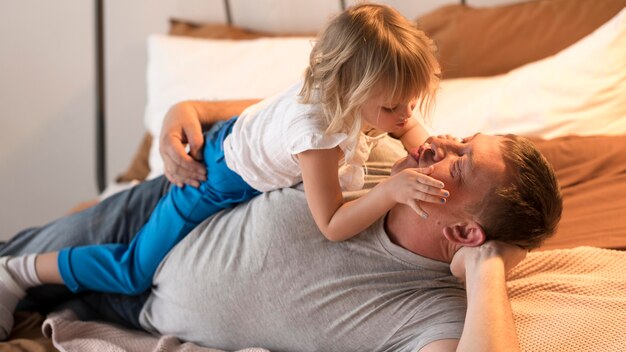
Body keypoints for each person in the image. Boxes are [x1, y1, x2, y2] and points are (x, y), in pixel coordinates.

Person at [0, 4, 446, 329]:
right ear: (349, 89)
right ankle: (17, 271)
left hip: (237, 134)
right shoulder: (318, 138)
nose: (406, 116)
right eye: (393, 106)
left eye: (411, 102)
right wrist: (389, 191)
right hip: (213, 180)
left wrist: (431, 148)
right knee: (133, 270)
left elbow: (409, 129)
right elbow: (330, 223)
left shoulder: (344, 92)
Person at [0, 97, 562, 351]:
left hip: (140, 312)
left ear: (466, 234)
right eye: (462, 137)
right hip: (156, 215)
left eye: (458, 163)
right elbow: (299, 110)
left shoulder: (434, 313)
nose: (439, 142)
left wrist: (488, 269)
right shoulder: (374, 158)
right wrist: (187, 110)